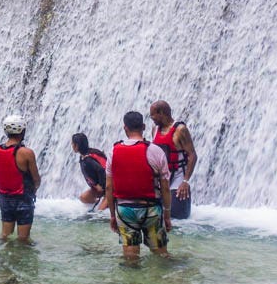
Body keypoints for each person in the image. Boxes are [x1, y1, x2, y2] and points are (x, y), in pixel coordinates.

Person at [104, 111, 172, 261]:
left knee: (130, 259)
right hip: (151, 209)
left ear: (125, 128)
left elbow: (109, 187)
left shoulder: (113, 152)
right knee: (162, 257)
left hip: (125, 210)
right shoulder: (155, 151)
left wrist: (112, 216)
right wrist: (167, 215)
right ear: (143, 126)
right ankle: (165, 282)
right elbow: (165, 187)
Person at [0, 115, 41, 243]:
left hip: (5, 199)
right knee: (23, 239)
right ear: (22, 131)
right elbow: (36, 179)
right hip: (23, 199)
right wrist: (34, 190)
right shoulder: (26, 153)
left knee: (5, 236)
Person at [149, 100, 198, 219]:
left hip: (178, 179)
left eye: (153, 115)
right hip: (161, 179)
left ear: (161, 113)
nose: (151, 118)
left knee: (178, 220)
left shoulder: (180, 130)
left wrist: (185, 182)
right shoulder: (155, 129)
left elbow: (192, 155)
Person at [71, 132, 108, 210]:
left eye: (72, 144)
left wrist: (100, 186)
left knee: (99, 213)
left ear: (77, 146)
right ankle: (102, 203)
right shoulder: (86, 155)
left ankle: (109, 201)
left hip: (109, 187)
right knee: (83, 198)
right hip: (99, 187)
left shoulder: (88, 159)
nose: (72, 145)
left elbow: (101, 170)